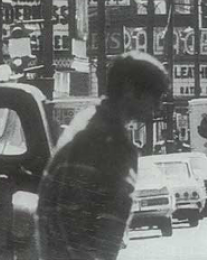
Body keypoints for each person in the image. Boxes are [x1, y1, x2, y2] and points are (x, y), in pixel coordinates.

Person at [37, 51, 169, 260]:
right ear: (129, 90)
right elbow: (70, 219)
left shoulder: (91, 127)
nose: (158, 106)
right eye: (155, 96)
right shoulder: (103, 141)